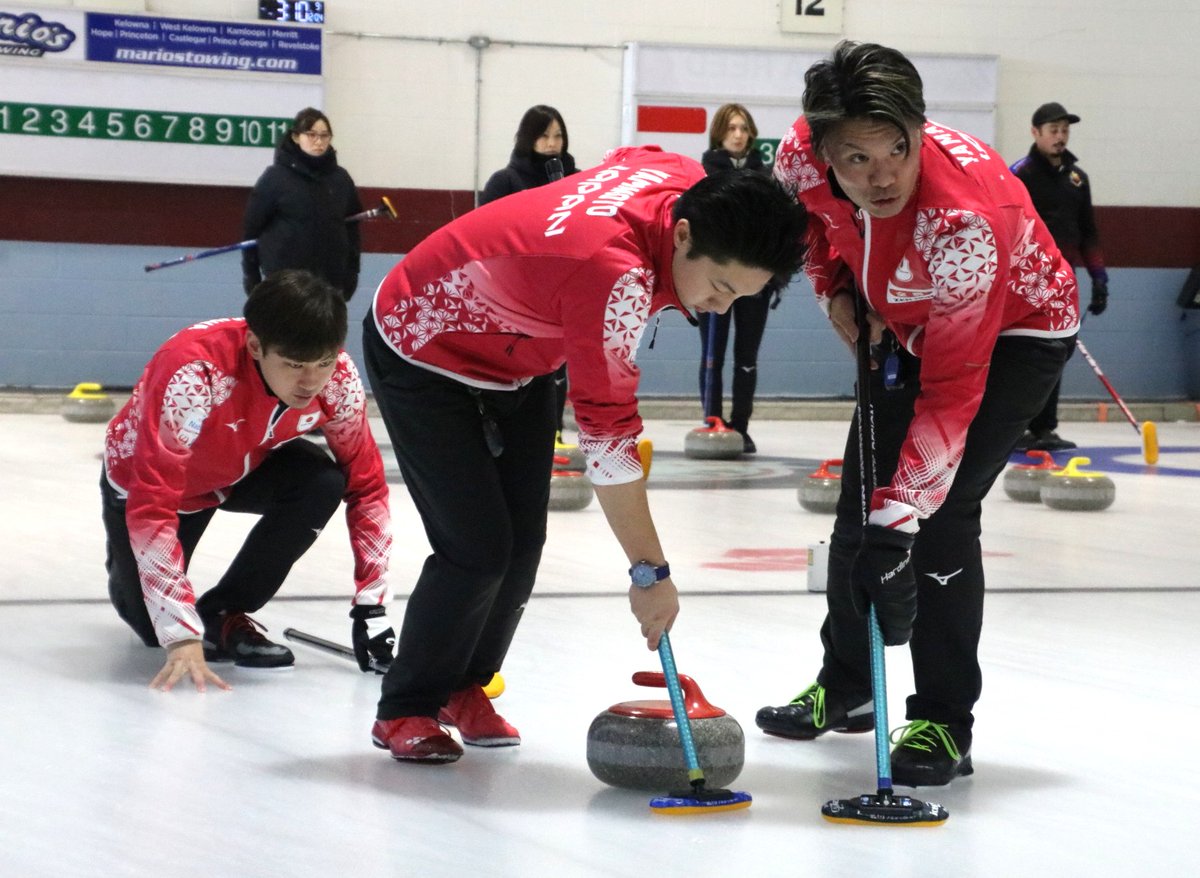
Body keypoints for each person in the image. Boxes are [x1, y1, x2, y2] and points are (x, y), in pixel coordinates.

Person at [363, 147, 807, 764]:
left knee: (523, 541)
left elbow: (637, 155)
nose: (719, 309)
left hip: (523, 352)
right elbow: (609, 442)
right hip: (424, 343)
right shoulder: (614, 276)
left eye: (742, 299)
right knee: (477, 545)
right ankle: (405, 706)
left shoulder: (686, 184)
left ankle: (462, 686)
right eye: (721, 287)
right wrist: (650, 573)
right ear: (682, 236)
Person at [756, 41, 1079, 787]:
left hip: (1016, 334)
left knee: (936, 513)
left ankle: (942, 717)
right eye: (856, 160)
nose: (880, 176)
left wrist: (901, 518)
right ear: (823, 149)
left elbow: (952, 395)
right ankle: (849, 685)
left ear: (919, 129)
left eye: (896, 151)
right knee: (855, 513)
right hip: (901, 315)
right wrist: (836, 288)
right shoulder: (803, 160)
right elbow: (811, 226)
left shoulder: (964, 221)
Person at [101, 270, 395, 693]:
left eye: (324, 363)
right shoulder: (193, 373)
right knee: (153, 630)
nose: (311, 382)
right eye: (294, 365)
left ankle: (226, 611)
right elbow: (153, 506)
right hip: (152, 485)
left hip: (241, 466)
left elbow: (367, 487)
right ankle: (158, 605)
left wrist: (372, 608)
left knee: (325, 481)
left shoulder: (340, 380)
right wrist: (181, 634)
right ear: (255, 346)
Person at [1010, 102, 1110, 452]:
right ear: (1035, 132)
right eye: (1053, 130)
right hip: (1025, 282)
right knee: (1024, 355)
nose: (1060, 136)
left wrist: (1099, 279)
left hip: (1064, 283)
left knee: (1056, 354)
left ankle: (1044, 429)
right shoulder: (1018, 174)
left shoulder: (1077, 179)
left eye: (1065, 130)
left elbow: (1089, 233)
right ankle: (1012, 429)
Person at [480, 105, 579, 444]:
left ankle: (553, 432)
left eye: (558, 136)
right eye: (544, 136)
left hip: (563, 289)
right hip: (515, 294)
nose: (552, 144)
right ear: (528, 139)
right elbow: (484, 238)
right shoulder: (505, 181)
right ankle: (507, 428)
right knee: (516, 363)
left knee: (557, 366)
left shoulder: (576, 181)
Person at [696, 103, 773, 453]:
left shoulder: (765, 175)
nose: (738, 135)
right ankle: (712, 419)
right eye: (732, 129)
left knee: (747, 356)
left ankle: (741, 425)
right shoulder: (704, 172)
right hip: (712, 278)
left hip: (753, 281)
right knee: (713, 354)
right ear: (720, 134)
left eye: (743, 128)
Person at [242, 108, 363, 301]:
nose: (319, 141)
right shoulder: (275, 178)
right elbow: (252, 229)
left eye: (324, 136)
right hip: (285, 283)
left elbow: (352, 227)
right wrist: (252, 276)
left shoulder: (341, 180)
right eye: (311, 134)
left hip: (329, 283)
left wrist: (352, 272)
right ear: (296, 137)